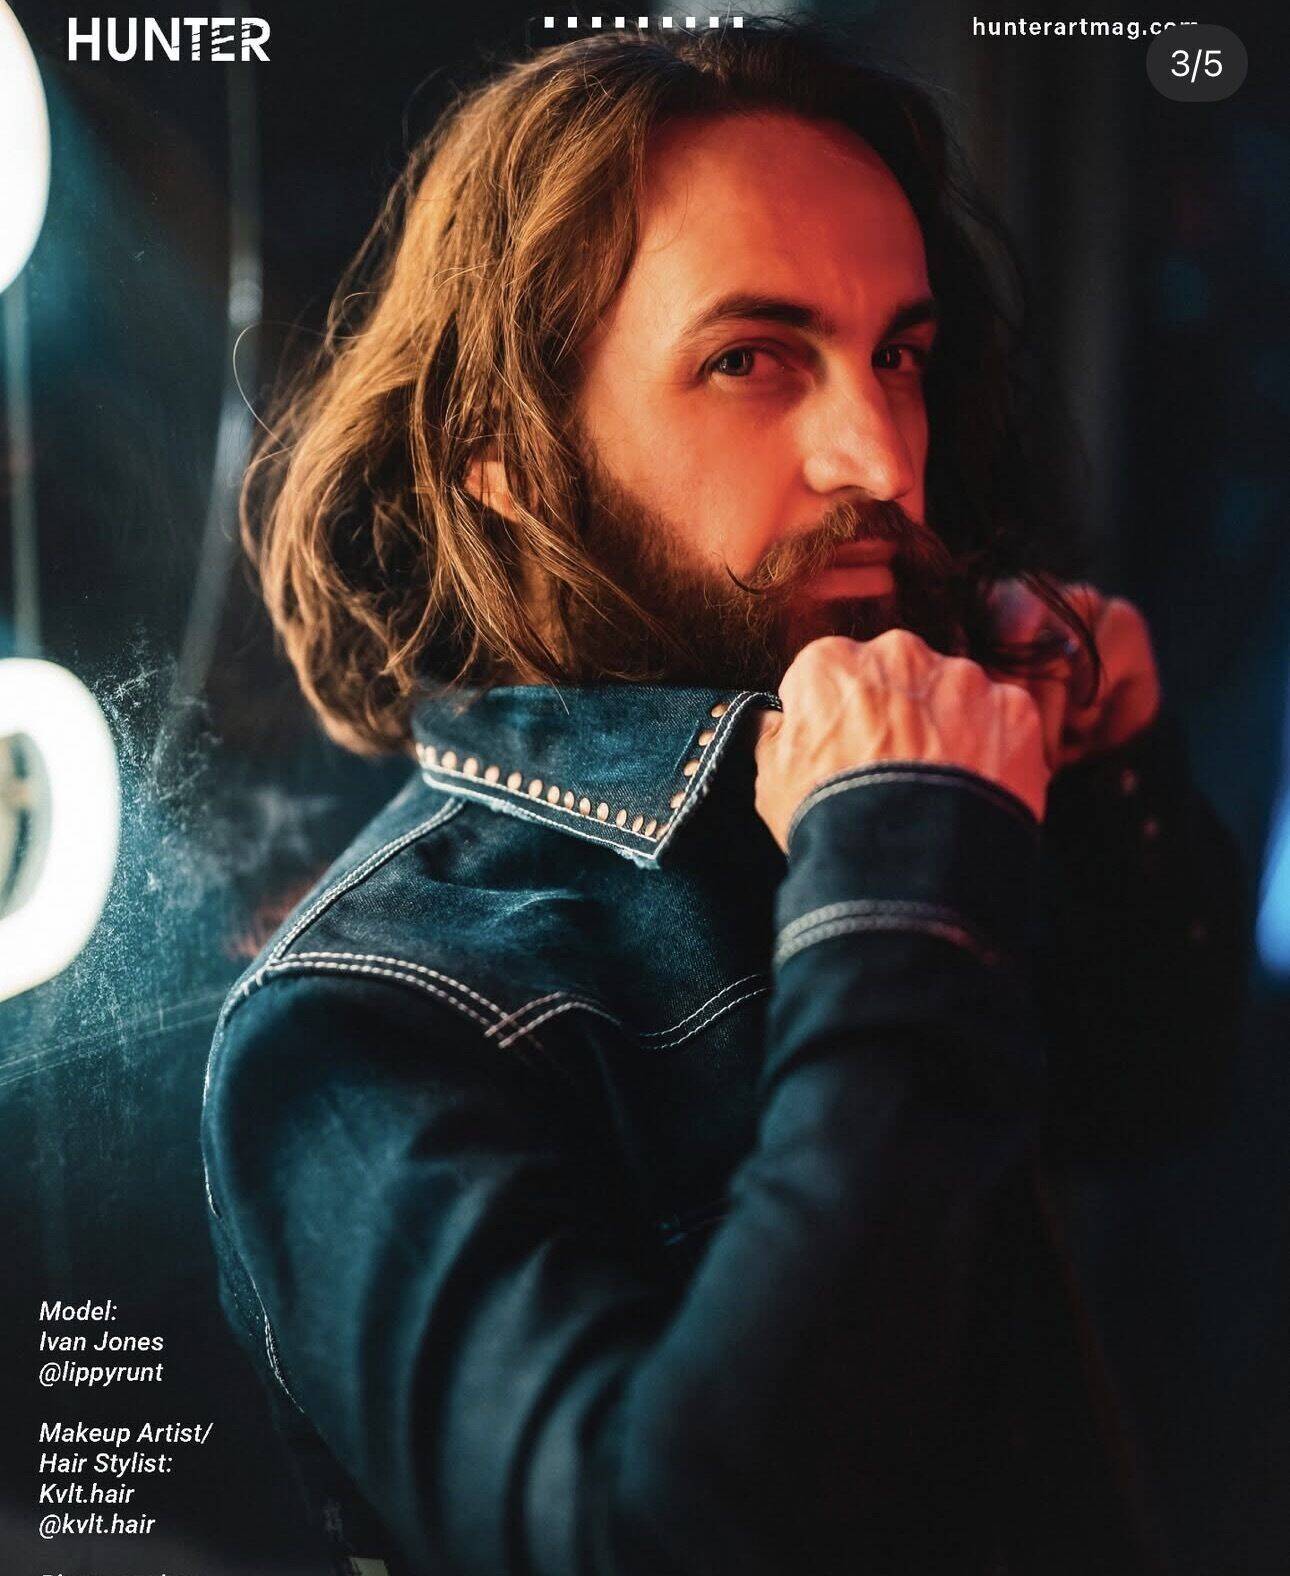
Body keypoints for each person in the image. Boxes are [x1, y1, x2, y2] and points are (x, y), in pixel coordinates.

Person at [201, 21, 1248, 1576]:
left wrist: (1106, 786)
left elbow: (1148, 1094)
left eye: (897, 354)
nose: (879, 458)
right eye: (751, 359)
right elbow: (645, 1538)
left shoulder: (864, 775)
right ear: (506, 453)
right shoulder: (359, 1020)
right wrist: (897, 875)